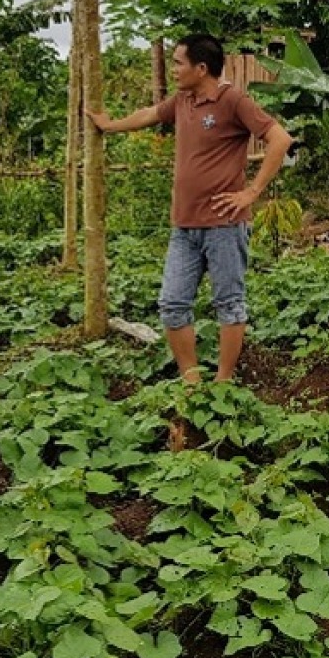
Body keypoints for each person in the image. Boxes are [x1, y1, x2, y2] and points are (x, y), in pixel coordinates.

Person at [88, 33, 293, 400]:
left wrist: (252, 192)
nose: (174, 69)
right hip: (184, 226)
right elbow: (151, 114)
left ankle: (224, 384)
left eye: (179, 63)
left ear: (202, 68)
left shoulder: (233, 100)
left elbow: (280, 139)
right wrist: (110, 125)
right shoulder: (183, 100)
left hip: (224, 226)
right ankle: (192, 381)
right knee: (172, 303)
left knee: (229, 305)